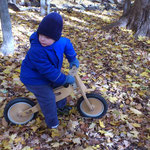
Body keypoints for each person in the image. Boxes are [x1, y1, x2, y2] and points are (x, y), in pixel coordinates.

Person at [20, 12, 79, 129]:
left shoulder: (60, 41)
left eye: (47, 37)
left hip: (48, 75)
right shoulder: (37, 50)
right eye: (40, 34)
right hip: (34, 79)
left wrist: (73, 59)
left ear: (56, 38)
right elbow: (48, 71)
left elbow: (67, 43)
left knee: (60, 88)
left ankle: (60, 107)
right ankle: (52, 123)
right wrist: (64, 78)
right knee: (48, 98)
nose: (42, 39)